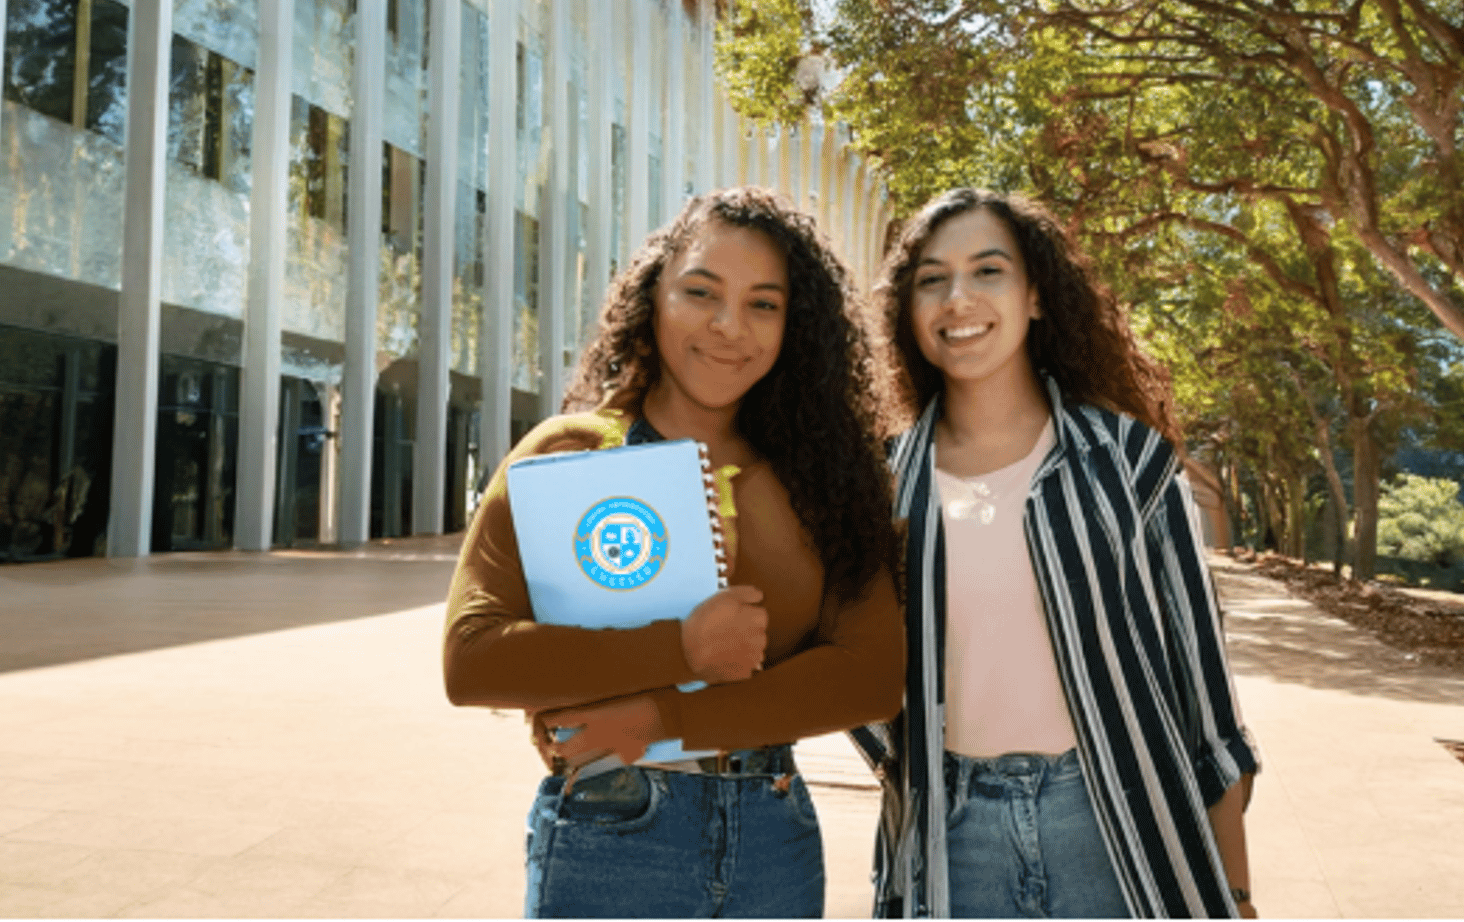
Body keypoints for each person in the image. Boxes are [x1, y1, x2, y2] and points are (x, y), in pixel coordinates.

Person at [443, 187, 904, 920]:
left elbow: (871, 679)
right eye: (700, 292)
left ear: (796, 325)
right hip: (613, 828)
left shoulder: (828, 480)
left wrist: (660, 718)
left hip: (772, 842)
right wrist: (682, 648)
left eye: (764, 304)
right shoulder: (567, 454)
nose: (729, 327)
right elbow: (472, 660)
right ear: (651, 297)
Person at [857, 188, 1259, 920]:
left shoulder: (1129, 463)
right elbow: (853, 671)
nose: (958, 298)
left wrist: (1233, 891)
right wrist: (908, 769)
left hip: (1115, 825)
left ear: (1036, 296)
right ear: (907, 313)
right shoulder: (884, 485)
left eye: (988, 271)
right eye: (931, 280)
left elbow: (1207, 702)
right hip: (952, 838)